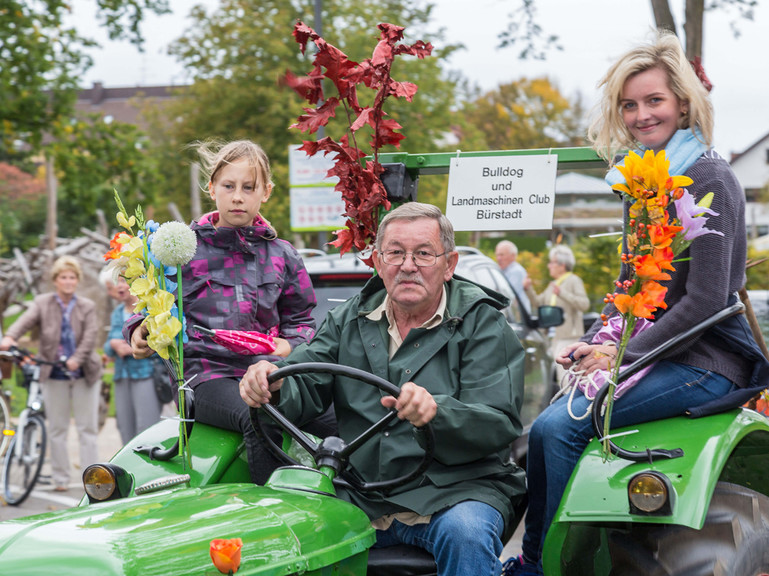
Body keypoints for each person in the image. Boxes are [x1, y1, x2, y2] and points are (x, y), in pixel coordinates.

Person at [502, 32, 769, 575]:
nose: (642, 114)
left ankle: (536, 568)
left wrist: (622, 357)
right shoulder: (644, 182)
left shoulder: (707, 176)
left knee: (560, 428)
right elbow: (631, 288)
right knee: (539, 431)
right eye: (630, 104)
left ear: (684, 104)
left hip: (706, 361)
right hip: (655, 356)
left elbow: (706, 302)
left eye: (655, 101)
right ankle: (539, 556)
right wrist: (595, 342)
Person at [240, 202, 527, 576]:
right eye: (395, 252)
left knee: (467, 534)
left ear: (449, 264)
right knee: (287, 532)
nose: (408, 265)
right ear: (377, 260)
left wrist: (437, 412)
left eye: (423, 253)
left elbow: (498, 421)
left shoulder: (483, 323)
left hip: (458, 489)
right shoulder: (349, 317)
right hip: (362, 491)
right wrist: (271, 382)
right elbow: (305, 377)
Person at [128, 139, 334, 484]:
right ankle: (270, 511)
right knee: (260, 415)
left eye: (248, 187)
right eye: (229, 186)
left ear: (265, 192)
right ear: (212, 188)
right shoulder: (181, 248)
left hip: (269, 373)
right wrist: (138, 329)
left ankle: (355, 506)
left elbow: (302, 322)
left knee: (343, 418)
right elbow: (150, 304)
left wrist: (286, 347)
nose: (238, 196)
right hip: (205, 378)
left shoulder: (283, 255)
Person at [0, 255, 102, 492]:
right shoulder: (42, 302)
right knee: (57, 428)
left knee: (87, 428)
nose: (68, 281)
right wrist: (10, 337)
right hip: (53, 371)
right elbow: (24, 321)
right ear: (56, 280)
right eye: (63, 277)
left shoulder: (87, 306)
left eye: (72, 277)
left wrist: (77, 359)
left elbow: (90, 336)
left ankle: (94, 478)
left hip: (84, 372)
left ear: (77, 280)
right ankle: (61, 478)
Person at [105, 275, 161, 444]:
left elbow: (160, 346)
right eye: (117, 282)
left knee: (146, 429)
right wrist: (115, 345)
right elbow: (108, 348)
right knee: (124, 427)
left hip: (146, 375)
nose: (119, 286)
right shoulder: (117, 313)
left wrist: (129, 348)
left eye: (124, 281)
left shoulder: (149, 310)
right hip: (122, 376)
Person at [523, 244, 589, 382]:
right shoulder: (553, 284)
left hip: (569, 337)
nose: (549, 266)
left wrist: (562, 293)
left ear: (562, 265)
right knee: (560, 378)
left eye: (552, 262)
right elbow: (539, 303)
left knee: (567, 378)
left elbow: (584, 304)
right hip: (554, 338)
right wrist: (528, 289)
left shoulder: (573, 281)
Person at [495, 240, 531, 313]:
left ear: (513, 256)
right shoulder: (502, 270)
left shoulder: (516, 271)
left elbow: (508, 296)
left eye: (502, 255)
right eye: (497, 255)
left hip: (519, 315)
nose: (498, 258)